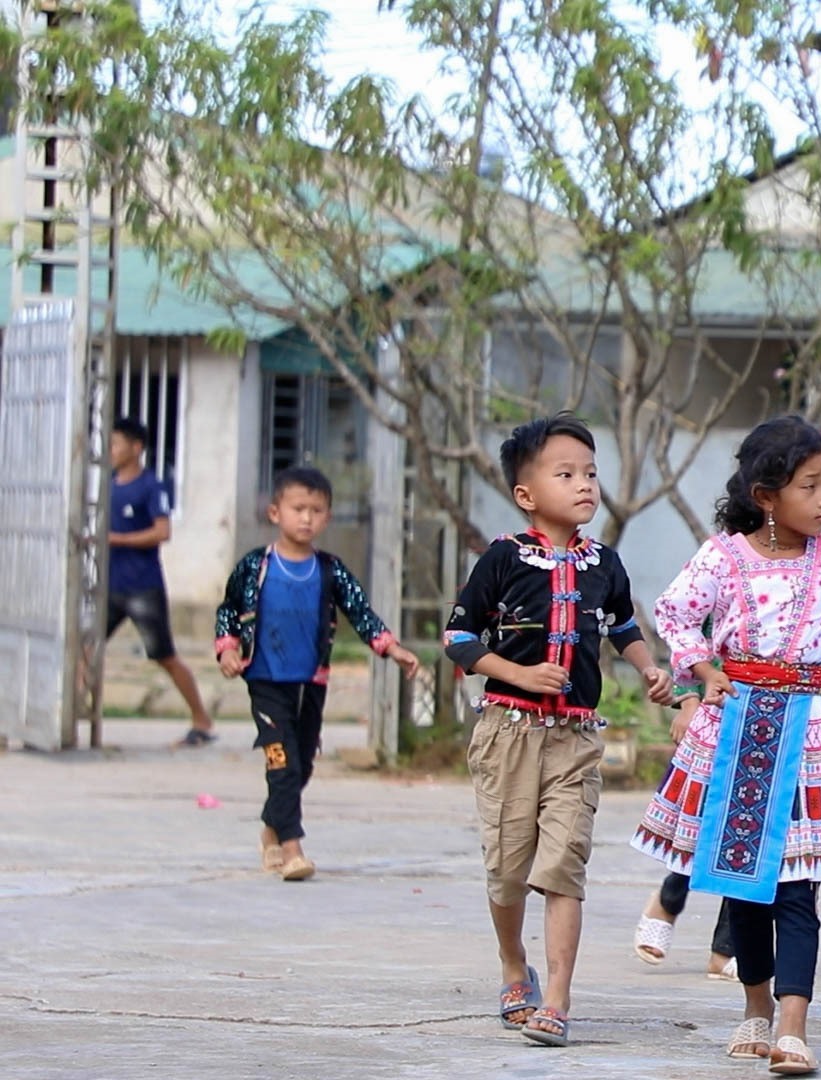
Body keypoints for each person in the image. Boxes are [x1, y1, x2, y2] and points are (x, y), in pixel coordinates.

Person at [631, 415, 821, 1077]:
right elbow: (673, 613)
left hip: (813, 729)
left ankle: (795, 1027)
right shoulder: (723, 557)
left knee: (798, 888)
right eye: (810, 486)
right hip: (739, 730)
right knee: (745, 886)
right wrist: (702, 670)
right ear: (766, 496)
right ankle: (755, 1010)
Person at [441, 412, 673, 1049]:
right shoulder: (501, 559)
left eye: (591, 473)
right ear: (526, 494)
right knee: (508, 869)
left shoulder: (606, 564)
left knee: (564, 867)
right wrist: (515, 672)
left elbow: (622, 625)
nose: (585, 486)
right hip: (507, 734)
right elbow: (458, 638)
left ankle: (561, 1000)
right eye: (565, 473)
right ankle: (515, 965)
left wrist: (651, 671)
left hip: (575, 741)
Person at [213, 466, 422, 881]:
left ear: (327, 517)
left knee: (302, 763)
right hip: (266, 681)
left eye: (316, 510)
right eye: (298, 508)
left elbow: (360, 611)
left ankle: (271, 831)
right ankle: (292, 849)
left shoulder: (330, 570)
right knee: (281, 761)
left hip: (311, 683)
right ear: (275, 512)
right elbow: (228, 610)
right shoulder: (255, 567)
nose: (306, 518)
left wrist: (391, 647)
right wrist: (228, 648)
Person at [105, 418, 215, 747]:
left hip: (143, 586)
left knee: (164, 655)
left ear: (136, 448)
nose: (111, 450)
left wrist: (118, 540)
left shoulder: (151, 486)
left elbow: (162, 532)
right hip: (109, 586)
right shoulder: (107, 484)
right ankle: (68, 721)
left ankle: (202, 719)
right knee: (85, 650)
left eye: (116, 444)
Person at [633, 690, 738, 980]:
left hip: (781, 714)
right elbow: (686, 644)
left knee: (748, 835)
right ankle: (669, 898)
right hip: (718, 713)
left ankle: (726, 949)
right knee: (705, 825)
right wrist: (689, 700)